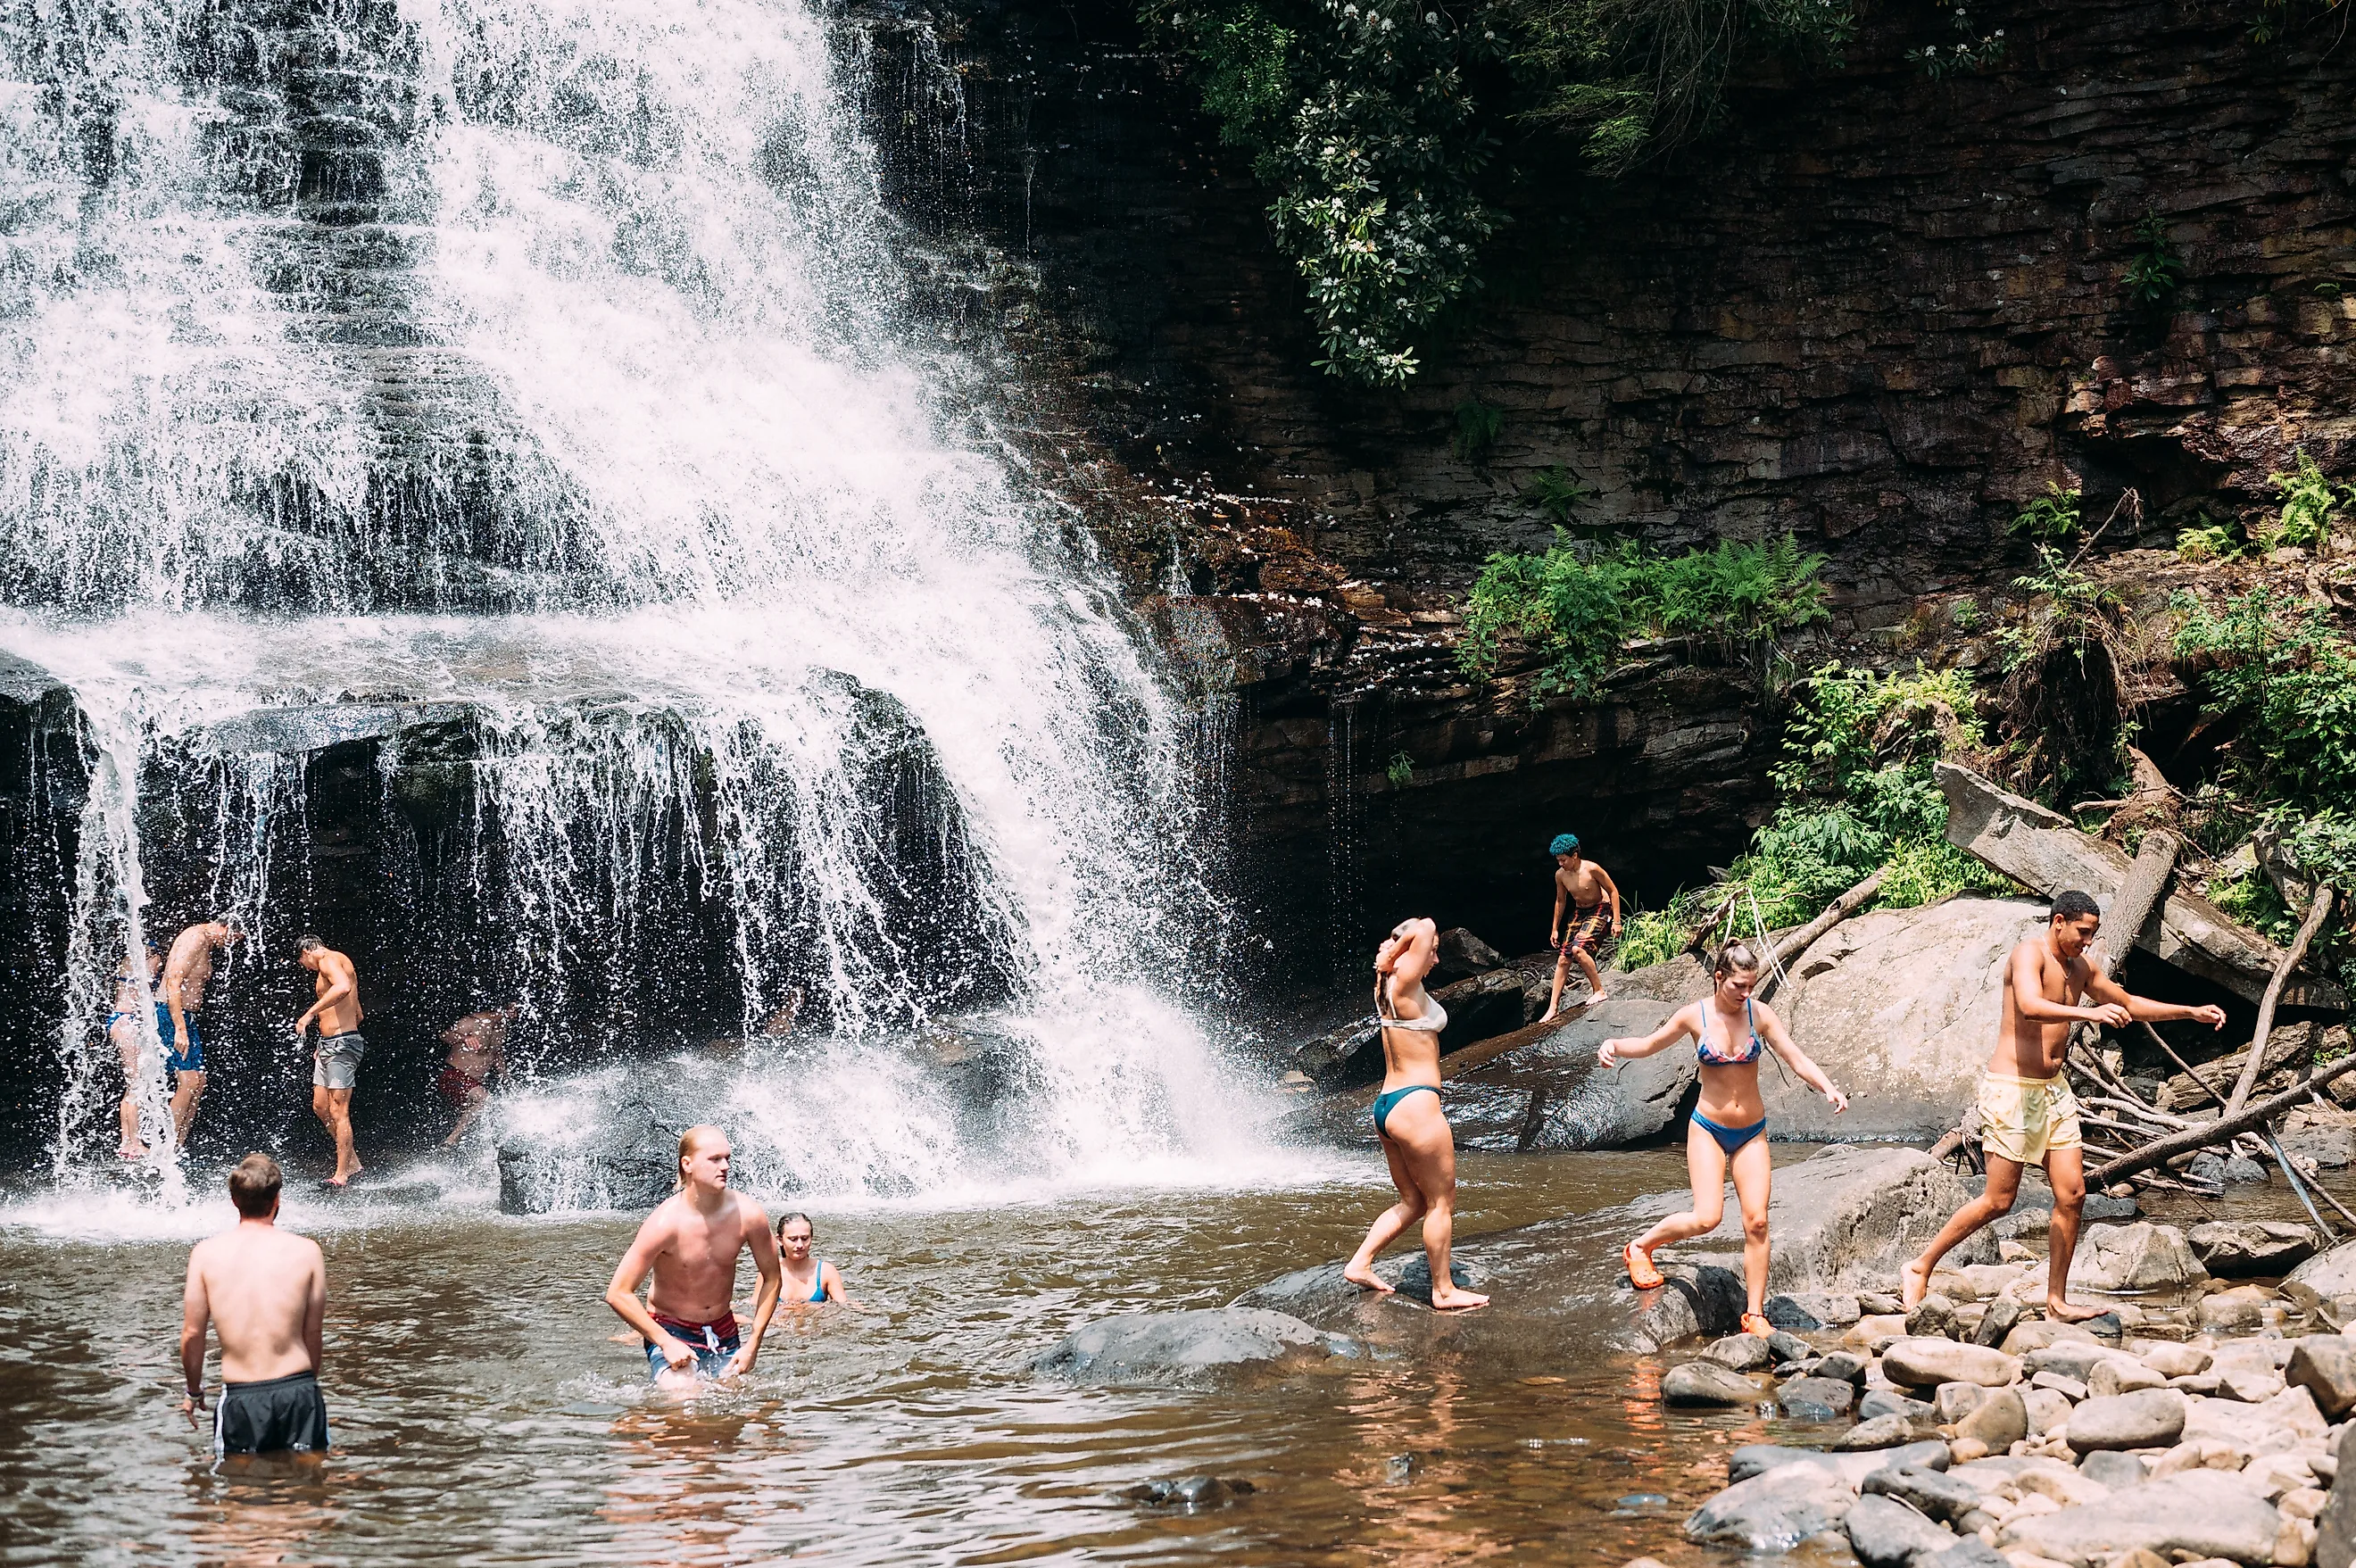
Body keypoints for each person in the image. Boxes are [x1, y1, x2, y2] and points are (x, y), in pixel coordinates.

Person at [1901, 890, 2227, 1320]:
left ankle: (2056, 1301)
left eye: (2092, 934)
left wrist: (2189, 1012)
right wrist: (2091, 1015)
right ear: (2059, 923)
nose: (2087, 942)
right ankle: (1920, 1265)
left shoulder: (2082, 968)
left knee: (2072, 1194)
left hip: (2053, 1090)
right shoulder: (2027, 954)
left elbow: (2127, 1002)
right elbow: (2031, 1006)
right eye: (2083, 933)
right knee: (1999, 1200)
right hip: (2012, 1088)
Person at [1600, 940, 1848, 1337]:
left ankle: (1754, 1314)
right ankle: (1641, 1247)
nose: (1746, 994)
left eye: (1751, 986)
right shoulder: (1693, 1016)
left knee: (1758, 1222)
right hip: (1708, 1129)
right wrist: (1613, 1044)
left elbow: (1795, 1057)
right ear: (1719, 978)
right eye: (1739, 986)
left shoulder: (1760, 1015)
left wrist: (1828, 1088)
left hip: (1752, 1132)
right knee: (1707, 1218)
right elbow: (1648, 1045)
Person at [1341, 917, 1489, 1311]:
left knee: (1413, 1200)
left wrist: (1391, 954)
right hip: (1416, 1105)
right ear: (1407, 953)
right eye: (1432, 950)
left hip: (1387, 1106)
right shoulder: (1403, 984)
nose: (1435, 958)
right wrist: (1398, 947)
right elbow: (1424, 925)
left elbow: (1421, 934)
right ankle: (1444, 1291)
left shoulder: (1386, 987)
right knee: (1441, 1202)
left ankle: (1360, 1262)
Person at [604, 1125, 784, 1390]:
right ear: (687, 1164)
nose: (724, 1166)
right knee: (684, 1401)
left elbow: (772, 1277)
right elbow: (618, 1293)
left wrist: (753, 1343)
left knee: (741, 1408)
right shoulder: (664, 1223)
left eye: (727, 1158)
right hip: (671, 1329)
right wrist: (665, 1341)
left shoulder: (748, 1215)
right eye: (714, 1159)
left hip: (724, 1329)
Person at [181, 1152, 331, 1457]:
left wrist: (193, 1391)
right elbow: (313, 1333)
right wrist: (305, 1390)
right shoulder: (307, 1251)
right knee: (308, 1490)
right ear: (277, 1198)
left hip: (242, 1393)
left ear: (234, 1200)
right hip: (298, 1389)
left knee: (240, 1492)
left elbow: (193, 1334)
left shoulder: (206, 1254)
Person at [146, 917, 245, 1149]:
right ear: (224, 927)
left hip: (185, 1017)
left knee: (199, 1082)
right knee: (189, 1081)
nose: (231, 944)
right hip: (170, 1015)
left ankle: (177, 1145)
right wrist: (180, 1028)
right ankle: (163, 1147)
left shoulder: (206, 943)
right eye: (232, 938)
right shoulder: (194, 938)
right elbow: (173, 982)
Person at [292, 935, 366, 1187]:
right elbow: (358, 1013)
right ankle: (352, 1162)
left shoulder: (327, 959)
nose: (306, 968)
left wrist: (309, 1014)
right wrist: (326, 1039)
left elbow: (343, 987)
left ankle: (342, 1174)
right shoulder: (333, 963)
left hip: (341, 1044)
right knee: (320, 1107)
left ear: (306, 953)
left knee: (338, 1110)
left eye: (303, 963)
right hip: (331, 1044)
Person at [1543, 834, 1622, 1020]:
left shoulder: (1592, 869)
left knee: (1578, 949)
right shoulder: (1560, 875)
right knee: (1563, 958)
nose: (1560, 863)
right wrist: (1555, 928)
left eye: (1563, 860)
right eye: (1558, 860)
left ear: (1575, 855)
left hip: (1601, 908)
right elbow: (1560, 901)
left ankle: (1599, 990)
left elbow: (1613, 891)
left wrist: (1617, 921)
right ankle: (1553, 1008)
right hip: (1580, 911)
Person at [436, 1003, 517, 1148]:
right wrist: (463, 1038)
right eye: (515, 1009)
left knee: (485, 1113)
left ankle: (480, 1153)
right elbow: (444, 1035)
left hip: (474, 1083)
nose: (517, 1014)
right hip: (454, 1075)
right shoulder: (472, 1021)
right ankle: (451, 1140)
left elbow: (496, 1054)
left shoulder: (502, 1028)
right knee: (485, 1100)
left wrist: (507, 1079)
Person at [112, 941, 164, 1158]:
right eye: (158, 965)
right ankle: (134, 1143)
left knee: (132, 1086)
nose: (159, 968)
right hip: (128, 1024)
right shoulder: (145, 959)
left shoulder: (128, 961)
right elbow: (147, 995)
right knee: (136, 1087)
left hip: (120, 1021)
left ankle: (127, 1141)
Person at [774, 1212, 860, 1307]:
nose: (800, 1245)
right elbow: (756, 1309)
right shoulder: (770, 1272)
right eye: (793, 1239)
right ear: (780, 1240)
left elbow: (844, 1306)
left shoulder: (826, 1272)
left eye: (805, 1238)